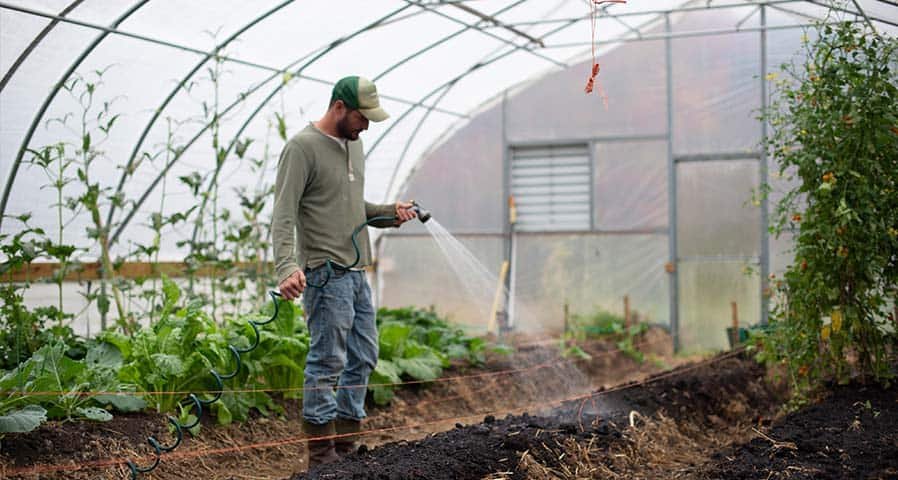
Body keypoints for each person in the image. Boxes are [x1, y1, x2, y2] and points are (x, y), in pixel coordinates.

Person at [271, 75, 417, 468]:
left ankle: (347, 448)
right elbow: (283, 215)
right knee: (327, 360)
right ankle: (321, 455)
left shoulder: (356, 146)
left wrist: (390, 213)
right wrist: (286, 266)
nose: (366, 125)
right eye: (361, 117)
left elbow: (353, 208)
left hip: (356, 272)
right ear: (339, 107)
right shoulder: (302, 148)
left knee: (365, 354)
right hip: (325, 272)